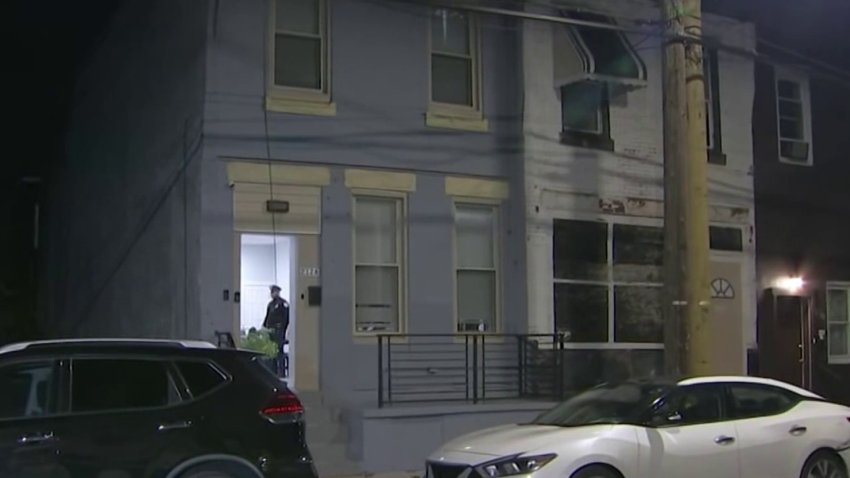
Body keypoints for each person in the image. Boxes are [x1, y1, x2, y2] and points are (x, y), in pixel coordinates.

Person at [263, 285, 290, 377]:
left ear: (278, 292)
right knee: (272, 352)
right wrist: (264, 327)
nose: (272, 294)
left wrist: (283, 329)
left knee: (279, 352)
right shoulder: (270, 304)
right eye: (272, 292)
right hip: (270, 330)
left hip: (279, 330)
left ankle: (281, 372)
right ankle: (273, 372)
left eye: (274, 292)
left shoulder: (283, 304)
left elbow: (287, 318)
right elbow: (267, 317)